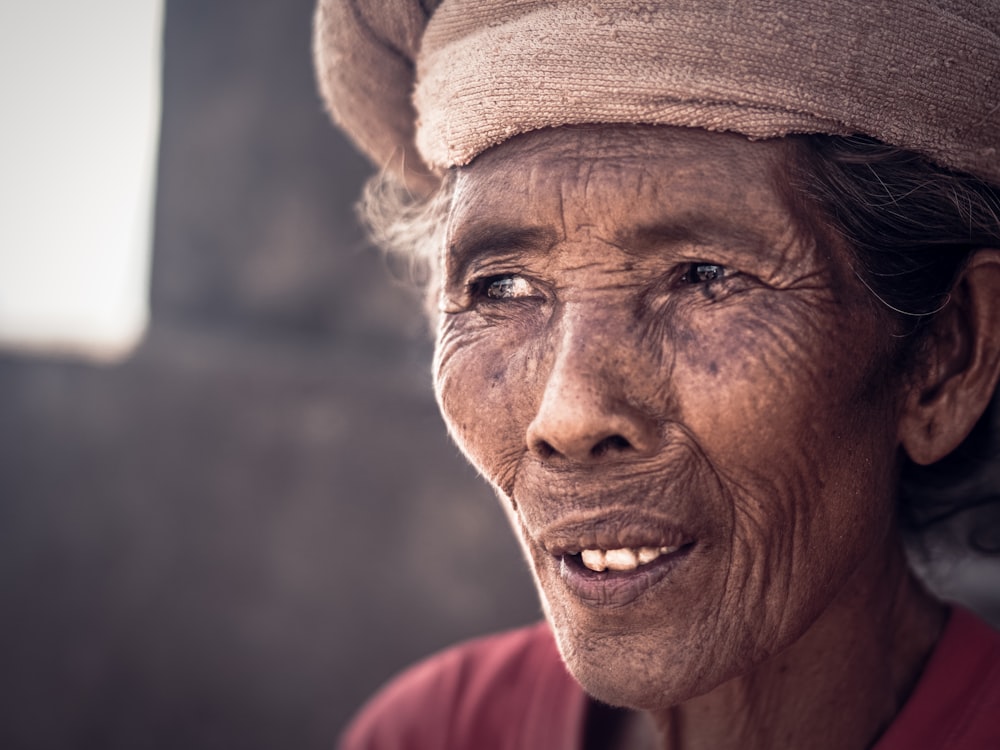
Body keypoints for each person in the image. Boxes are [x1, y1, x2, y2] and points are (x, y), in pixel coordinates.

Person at [314, 1, 1000, 747]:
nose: (570, 417)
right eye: (501, 288)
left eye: (704, 276)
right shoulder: (436, 731)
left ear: (945, 354)